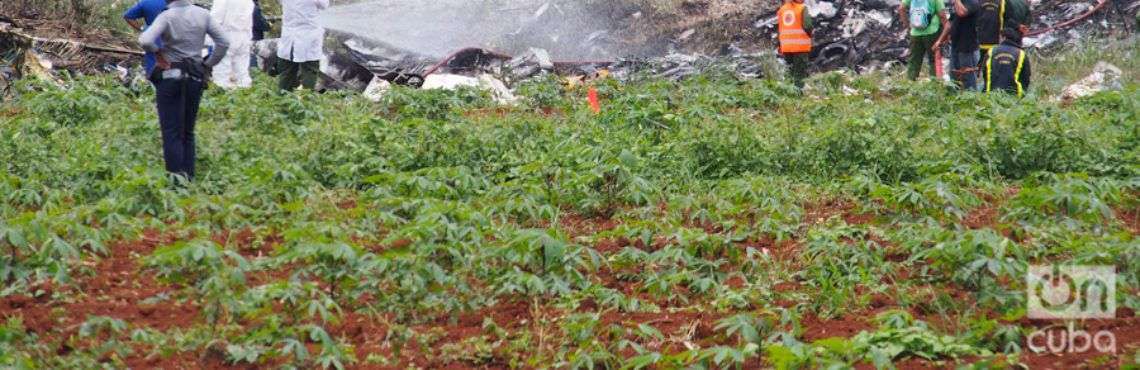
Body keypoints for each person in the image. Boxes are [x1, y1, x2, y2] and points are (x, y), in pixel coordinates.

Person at [138, 0, 230, 182]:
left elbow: (145, 40)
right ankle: (189, 178)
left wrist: (158, 52)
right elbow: (224, 42)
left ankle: (175, 182)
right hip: (195, 76)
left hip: (170, 75)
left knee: (171, 131)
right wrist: (208, 65)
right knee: (188, 131)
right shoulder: (203, 14)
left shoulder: (166, 16)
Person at [277, 0, 329, 92]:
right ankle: (306, 101)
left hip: (289, 37)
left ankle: (282, 100)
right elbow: (324, 5)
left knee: (287, 73)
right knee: (310, 71)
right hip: (309, 37)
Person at [935, 0, 981, 90]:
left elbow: (961, 13)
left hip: (967, 46)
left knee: (967, 76)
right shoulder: (957, 4)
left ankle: (971, 98)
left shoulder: (972, 2)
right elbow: (950, 24)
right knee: (954, 75)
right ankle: (954, 98)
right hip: (955, 45)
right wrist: (940, 40)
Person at [900, 0, 950, 80]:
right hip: (932, 32)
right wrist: (946, 34)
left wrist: (907, 26)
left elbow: (901, 8)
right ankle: (934, 84)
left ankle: (910, 84)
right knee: (933, 60)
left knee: (914, 61)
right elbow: (942, 16)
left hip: (915, 33)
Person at [210, 0, 255, 89]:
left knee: (222, 68)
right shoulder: (248, 1)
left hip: (226, 33)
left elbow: (215, 20)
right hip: (244, 35)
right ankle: (245, 91)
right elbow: (250, 21)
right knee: (242, 68)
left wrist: (210, 38)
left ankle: (222, 92)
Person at [122, 0, 167, 76]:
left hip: (153, 37)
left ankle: (151, 84)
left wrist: (142, 28)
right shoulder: (174, 2)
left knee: (152, 63)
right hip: (173, 37)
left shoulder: (146, 2)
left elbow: (127, 16)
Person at [777, 0, 813, 89]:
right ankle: (798, 92)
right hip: (800, 46)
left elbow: (780, 29)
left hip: (786, 46)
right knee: (799, 72)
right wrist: (810, 34)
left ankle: (788, 91)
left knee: (790, 70)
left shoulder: (782, 10)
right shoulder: (802, 8)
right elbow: (808, 26)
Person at [984, 29, 1030, 98]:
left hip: (991, 93)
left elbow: (985, 72)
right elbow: (1026, 77)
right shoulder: (1021, 54)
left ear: (1003, 37)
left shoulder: (991, 51)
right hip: (1014, 95)